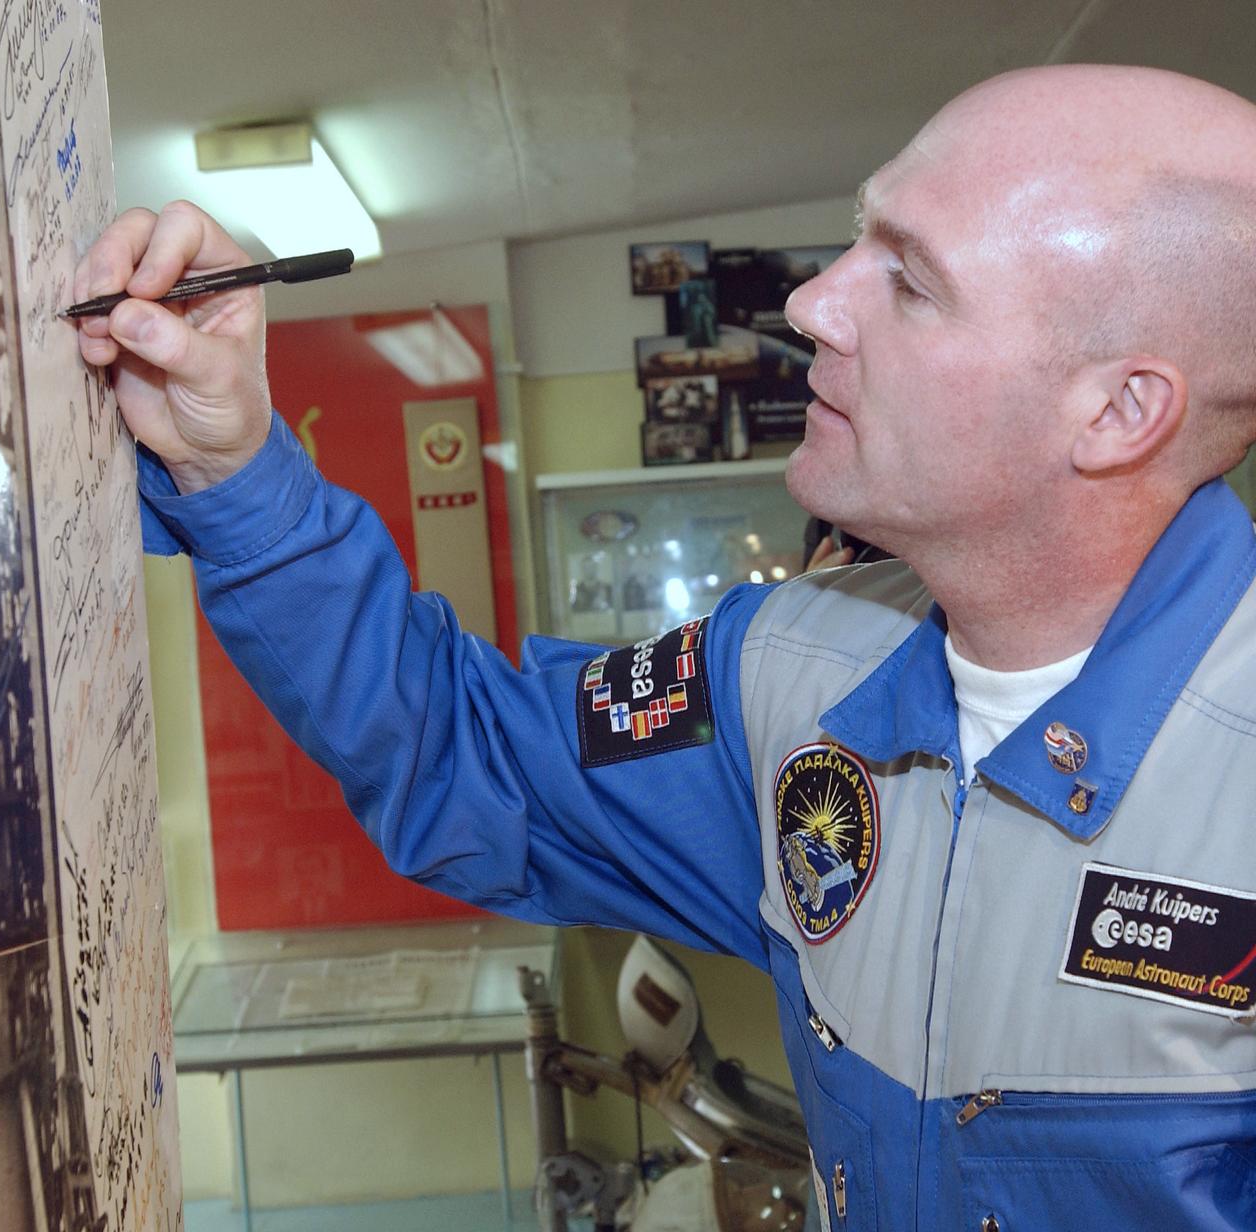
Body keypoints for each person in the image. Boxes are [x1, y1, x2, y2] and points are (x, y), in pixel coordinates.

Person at [74, 63, 1256, 1230]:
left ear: (1115, 411)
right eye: (857, 236)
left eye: (907, 279)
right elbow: (465, 753)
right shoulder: (785, 670)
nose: (807, 302)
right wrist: (231, 473)